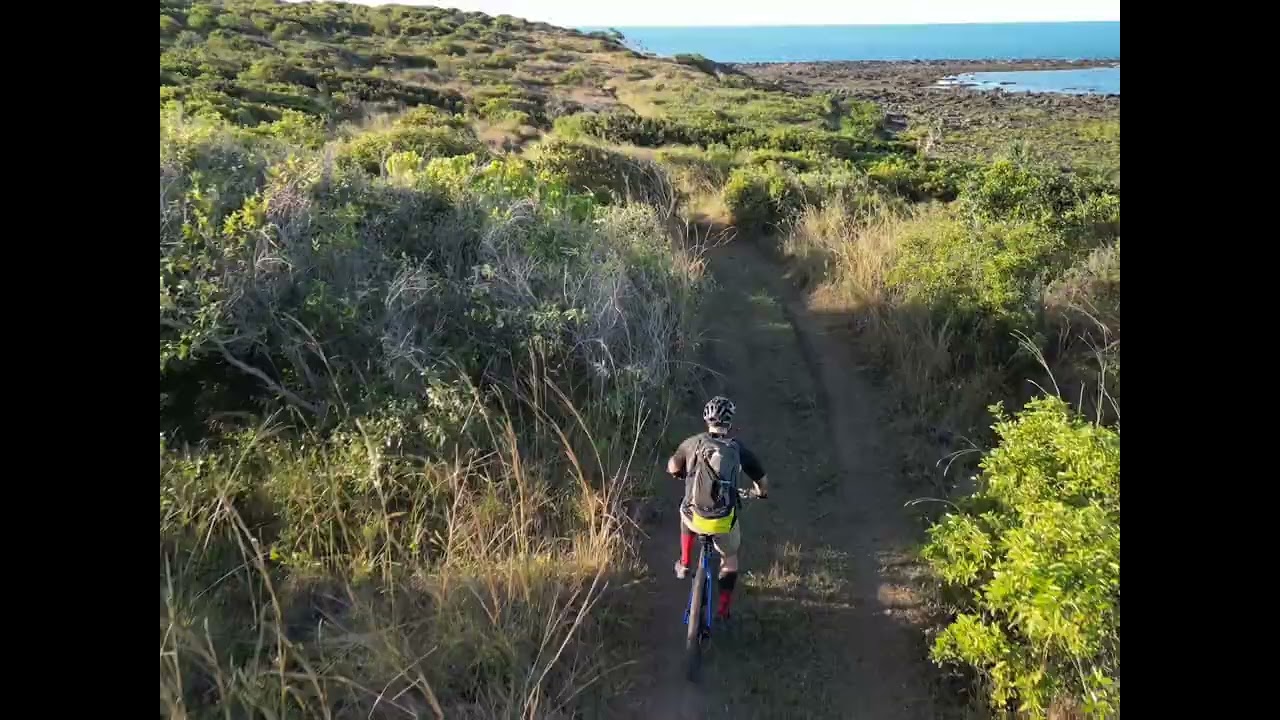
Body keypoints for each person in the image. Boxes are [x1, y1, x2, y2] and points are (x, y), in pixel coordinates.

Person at [667, 395, 769, 620]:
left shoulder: (692, 442)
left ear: (706, 420)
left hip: (695, 517)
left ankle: (684, 563)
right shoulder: (736, 448)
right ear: (729, 423)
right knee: (730, 558)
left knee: (685, 511)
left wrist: (679, 473)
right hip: (723, 522)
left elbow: (673, 465)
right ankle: (723, 609)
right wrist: (761, 493)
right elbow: (762, 480)